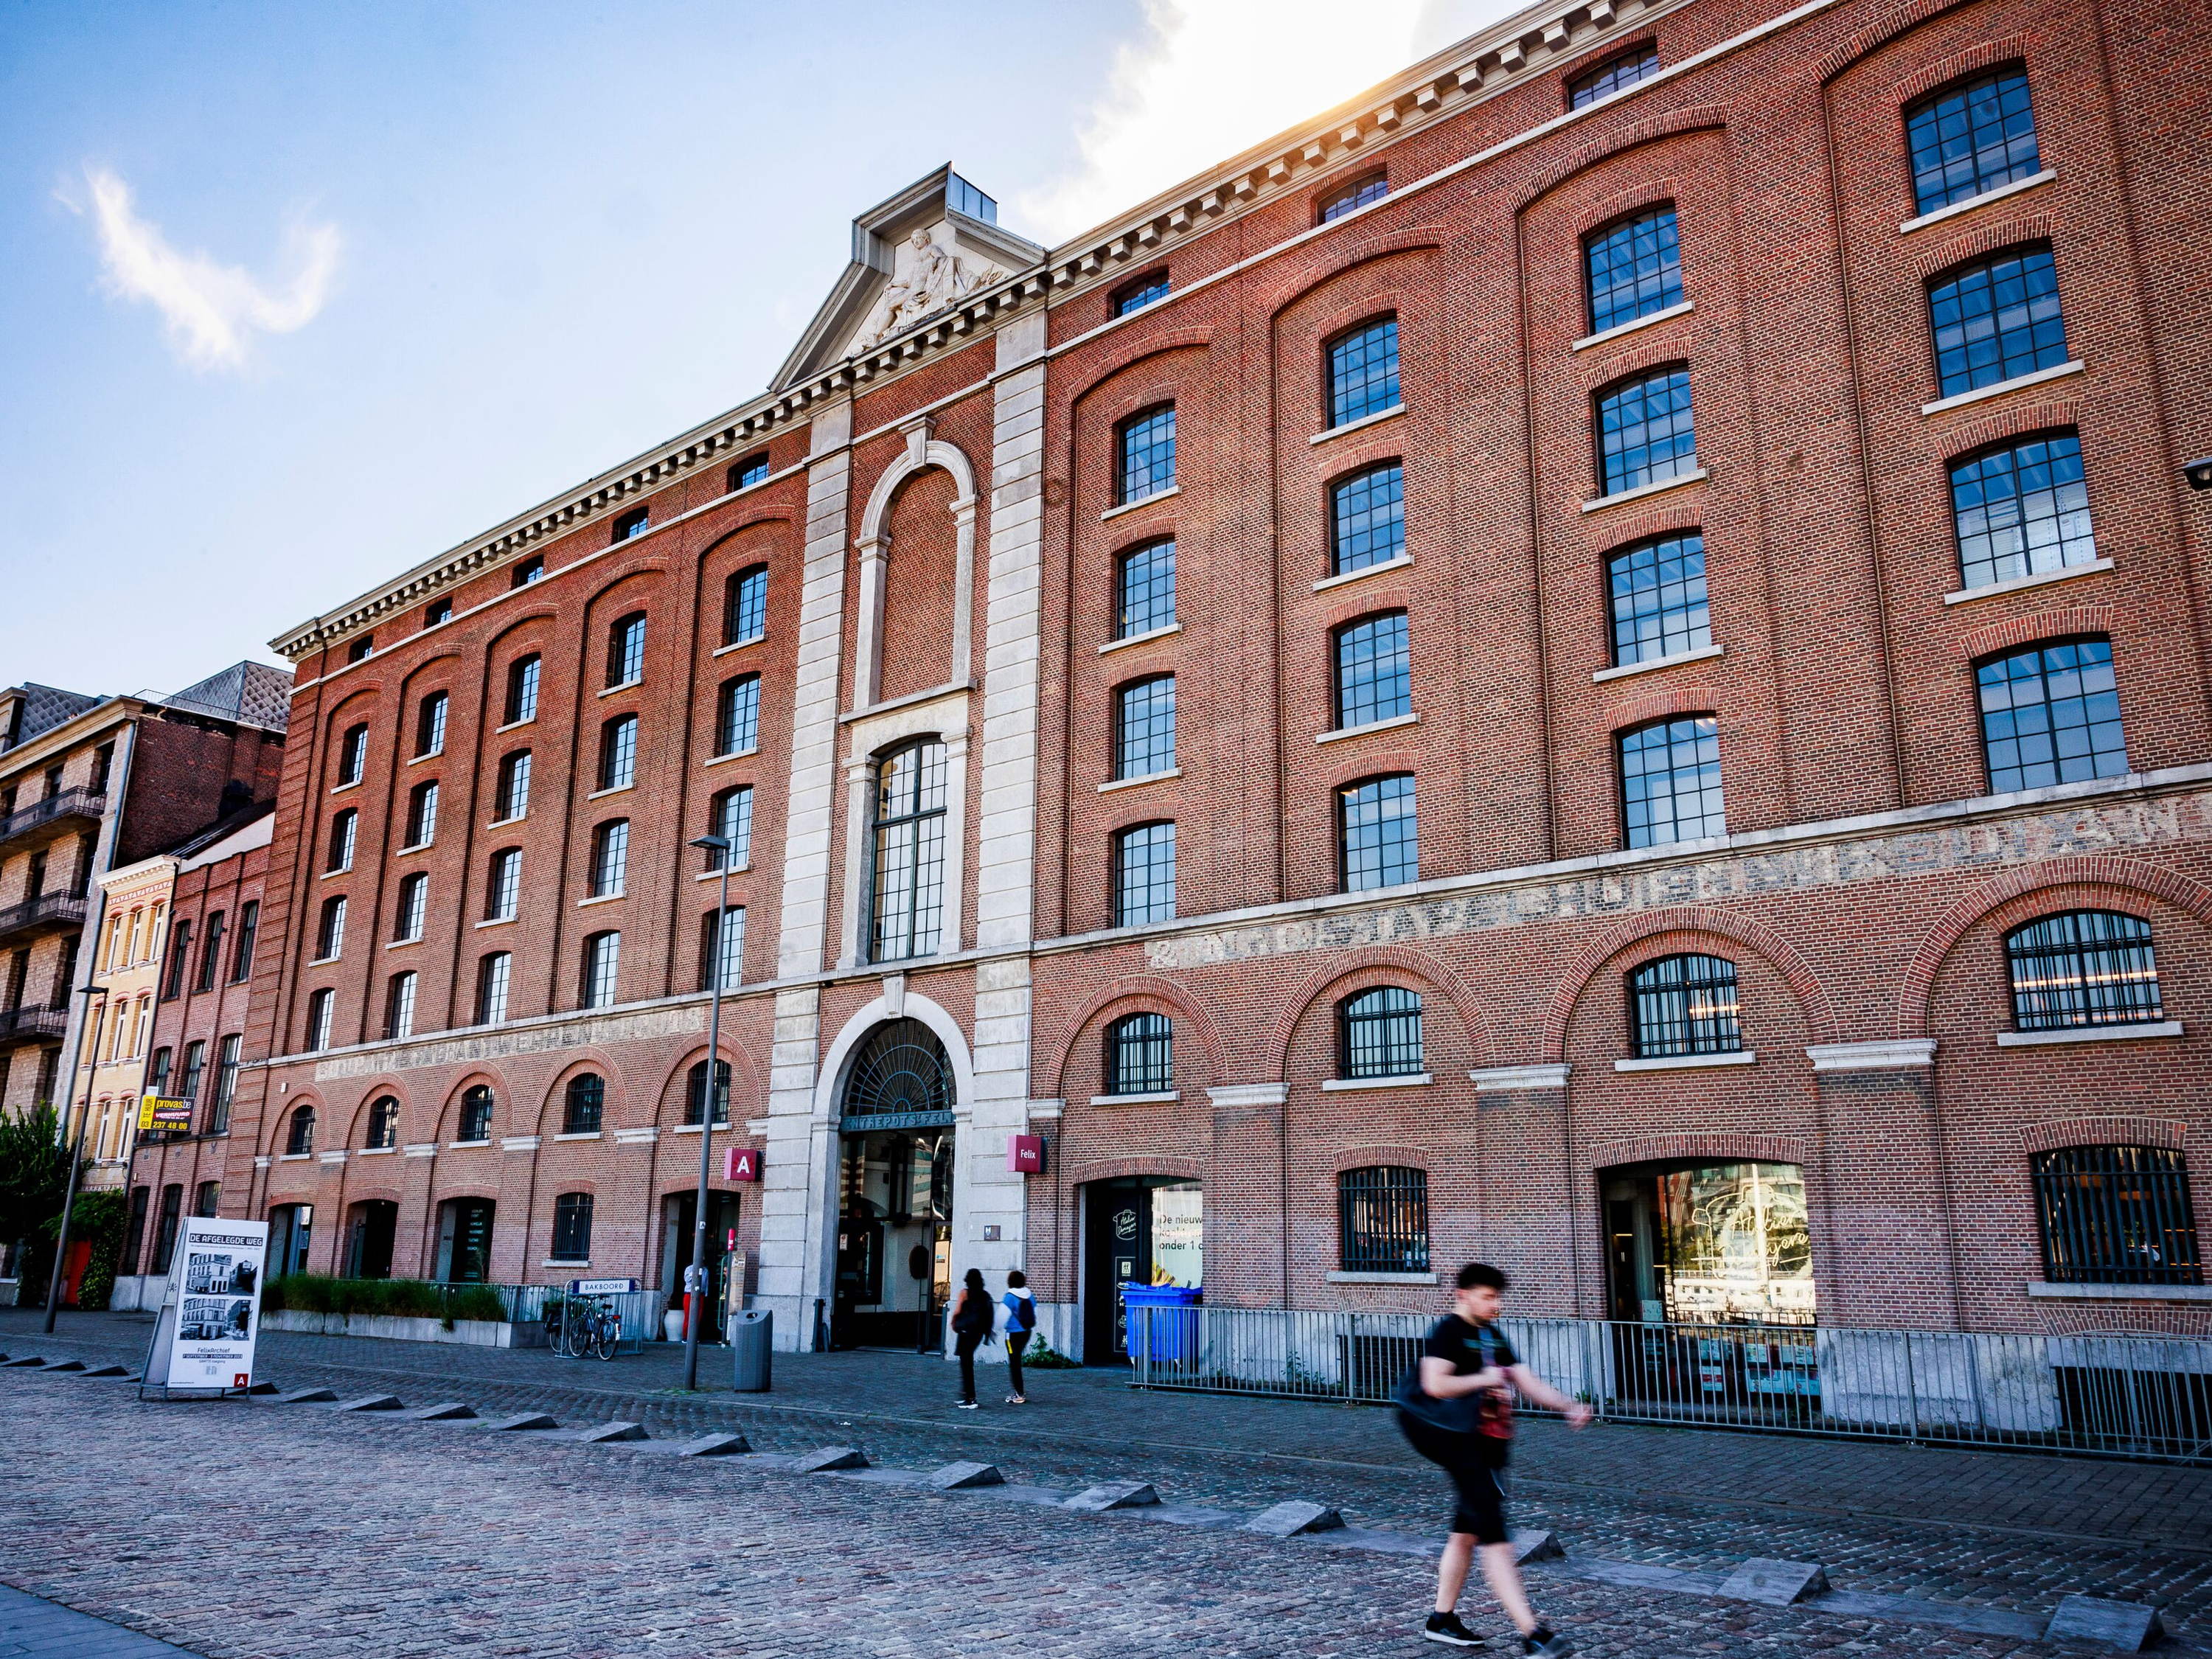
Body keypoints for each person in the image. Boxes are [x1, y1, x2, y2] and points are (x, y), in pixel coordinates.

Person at [1397, 1263, 1591, 1652]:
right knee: (1495, 1538)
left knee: (1466, 1532)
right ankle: (1533, 1635)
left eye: (1497, 1297)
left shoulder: (1491, 1335)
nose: (1495, 1304)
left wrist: (1568, 1405)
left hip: (1486, 1446)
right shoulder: (1449, 1332)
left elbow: (1526, 1380)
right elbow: (1435, 1384)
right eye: (1487, 1297)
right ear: (1463, 1295)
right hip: (1460, 1445)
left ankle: (1441, 1619)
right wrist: (1484, 1379)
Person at [949, 1267, 995, 1409]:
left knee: (966, 1365)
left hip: (966, 1332)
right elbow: (989, 1315)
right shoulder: (985, 1295)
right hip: (978, 1333)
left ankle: (970, 1399)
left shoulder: (965, 1293)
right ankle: (967, 1395)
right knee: (967, 1363)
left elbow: (957, 1311)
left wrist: (954, 1322)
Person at [1001, 1269, 1037, 1403]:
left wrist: (993, 1330)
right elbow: (1034, 1311)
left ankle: (1019, 1393)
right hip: (1026, 1332)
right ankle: (1019, 1390)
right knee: (1017, 1361)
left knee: (1014, 1363)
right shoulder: (1029, 1295)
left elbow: (1001, 1317)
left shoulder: (1010, 1297)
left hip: (1012, 1334)